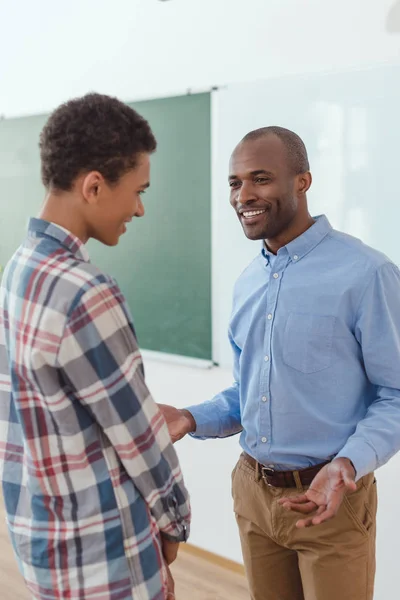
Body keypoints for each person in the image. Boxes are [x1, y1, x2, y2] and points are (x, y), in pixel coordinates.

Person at [159, 126, 400, 600]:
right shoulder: (248, 281)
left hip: (331, 498)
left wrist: (349, 462)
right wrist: (190, 418)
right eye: (234, 182)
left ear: (302, 182)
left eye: (260, 179)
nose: (243, 195)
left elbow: (396, 394)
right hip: (253, 493)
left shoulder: (367, 273)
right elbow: (249, 390)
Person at [0, 93, 190, 600]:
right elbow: (139, 437)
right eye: (137, 191)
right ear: (93, 186)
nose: (140, 208)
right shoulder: (85, 291)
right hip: (103, 553)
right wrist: (174, 524)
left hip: (42, 543)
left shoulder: (18, 270)